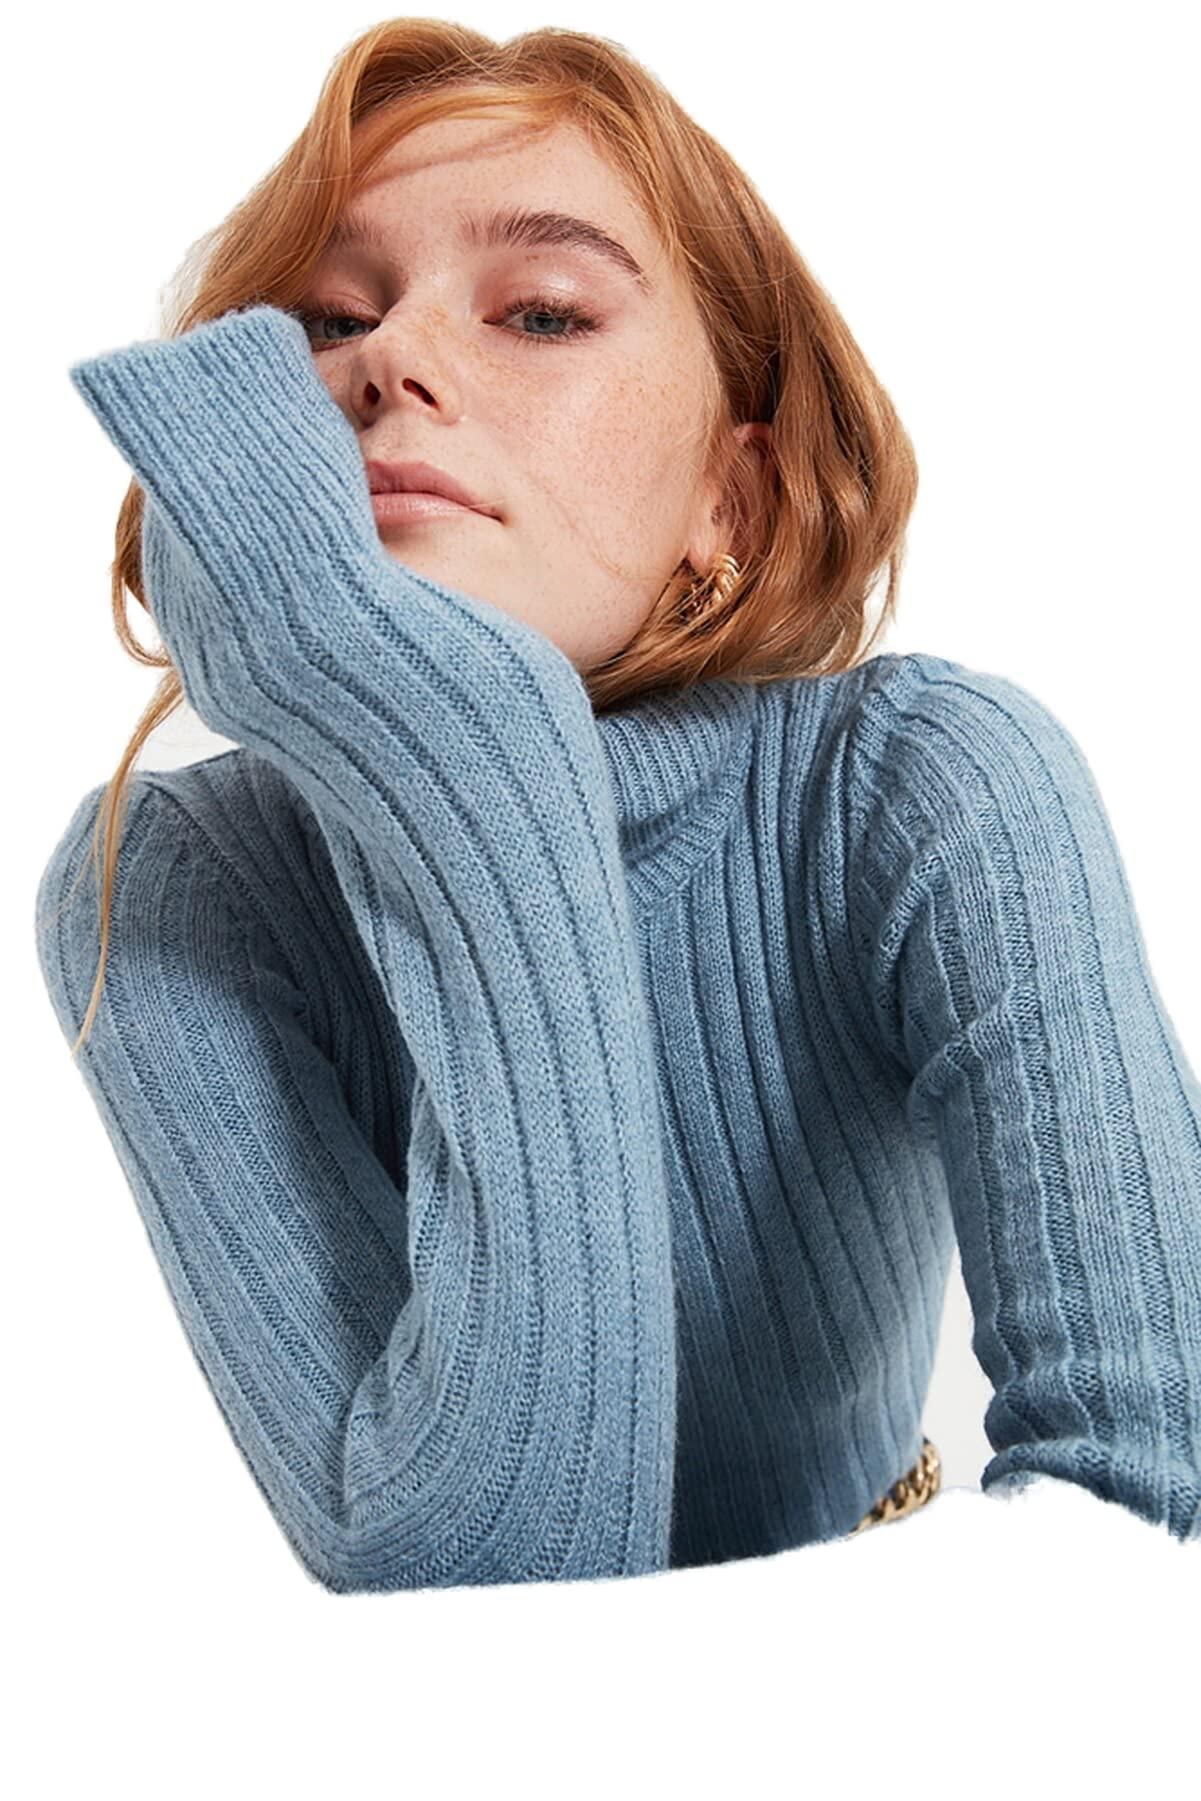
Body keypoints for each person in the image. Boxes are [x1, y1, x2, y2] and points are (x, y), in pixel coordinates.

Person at [33, 19, 1201, 1593]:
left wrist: (484, 740)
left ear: (733, 498)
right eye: (323, 320)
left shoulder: (927, 785)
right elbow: (473, 1605)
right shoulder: (169, 889)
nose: (384, 361)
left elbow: (1150, 1532)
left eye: (540, 310)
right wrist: (471, 767)